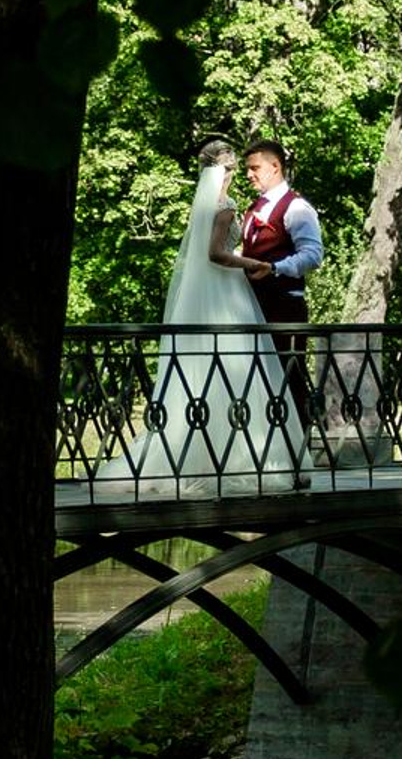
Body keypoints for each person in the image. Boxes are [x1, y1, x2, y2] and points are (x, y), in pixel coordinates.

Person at [90, 138, 301, 495]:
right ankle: (237, 458)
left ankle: (199, 457)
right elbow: (217, 253)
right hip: (228, 294)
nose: (240, 176)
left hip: (209, 295)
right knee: (239, 371)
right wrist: (256, 263)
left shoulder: (201, 205)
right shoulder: (226, 204)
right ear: (227, 171)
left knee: (206, 371)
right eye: (237, 170)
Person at [215, 136, 323, 457]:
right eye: (248, 169)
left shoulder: (297, 207)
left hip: (284, 307)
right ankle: (263, 454)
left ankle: (296, 457)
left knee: (290, 380)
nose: (249, 174)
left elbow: (313, 255)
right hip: (251, 308)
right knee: (257, 383)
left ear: (275, 167)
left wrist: (273, 268)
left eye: (255, 168)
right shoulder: (253, 208)